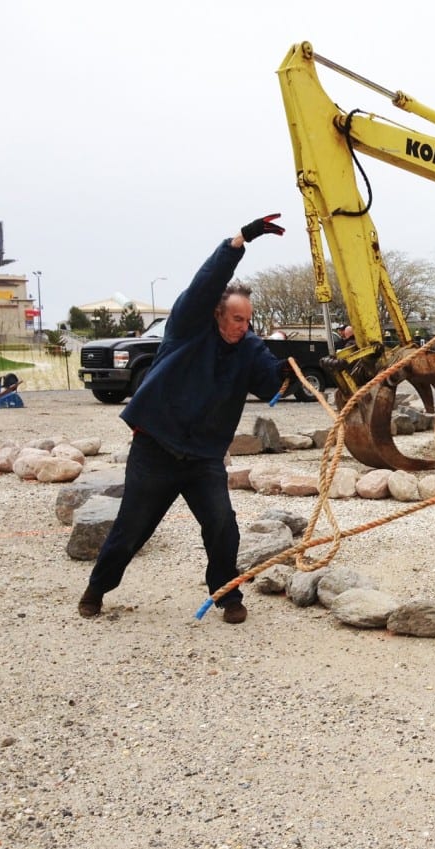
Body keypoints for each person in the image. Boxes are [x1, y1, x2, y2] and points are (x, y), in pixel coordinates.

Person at [78, 215, 287, 624]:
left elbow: (269, 382)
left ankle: (228, 596)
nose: (243, 328)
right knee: (132, 529)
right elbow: (205, 284)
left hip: (204, 458)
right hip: (156, 447)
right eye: (236, 320)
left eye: (248, 321)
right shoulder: (188, 327)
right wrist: (238, 242)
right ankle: (97, 588)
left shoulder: (250, 346)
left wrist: (293, 372)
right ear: (217, 315)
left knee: (223, 525)